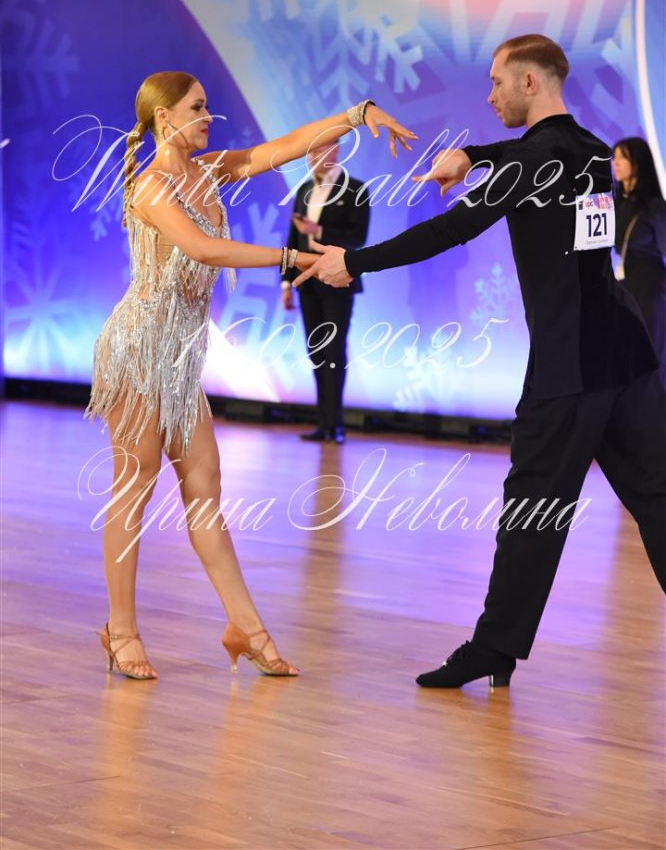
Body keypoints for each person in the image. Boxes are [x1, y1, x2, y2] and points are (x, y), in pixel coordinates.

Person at [295, 34, 666, 689]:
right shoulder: (590, 151)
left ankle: (494, 648)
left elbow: (449, 230)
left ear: (531, 82)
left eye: (497, 81)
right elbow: (530, 154)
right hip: (627, 354)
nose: (489, 94)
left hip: (570, 367)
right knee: (658, 498)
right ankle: (495, 647)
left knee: (531, 513)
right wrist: (473, 155)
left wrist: (352, 261)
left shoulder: (533, 162)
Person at [85, 72, 416, 680]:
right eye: (198, 107)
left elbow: (278, 150)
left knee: (205, 490)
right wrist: (292, 256)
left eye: (208, 106)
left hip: (181, 361)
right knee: (134, 489)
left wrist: (355, 114)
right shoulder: (152, 185)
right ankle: (121, 630)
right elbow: (204, 250)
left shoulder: (209, 171)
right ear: (165, 117)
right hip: (138, 352)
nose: (209, 117)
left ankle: (247, 627)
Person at [281, 142, 370, 443]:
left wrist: (317, 232)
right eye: (310, 152)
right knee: (316, 351)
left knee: (333, 350)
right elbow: (292, 240)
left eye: (320, 150)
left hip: (338, 281)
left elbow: (357, 238)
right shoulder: (305, 190)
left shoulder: (355, 189)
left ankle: (336, 425)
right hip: (307, 282)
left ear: (336, 151)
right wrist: (286, 283)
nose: (314, 158)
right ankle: (323, 423)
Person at [612, 136, 666, 376]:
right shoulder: (617, 205)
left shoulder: (654, 206)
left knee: (651, 354)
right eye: (614, 157)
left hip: (650, 288)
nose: (615, 163)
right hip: (623, 286)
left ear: (638, 162)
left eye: (622, 157)